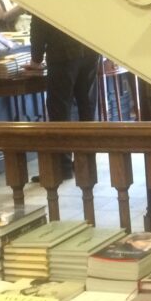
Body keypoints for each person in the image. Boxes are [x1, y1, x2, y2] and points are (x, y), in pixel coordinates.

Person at [25, 16, 99, 180]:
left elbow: (38, 23)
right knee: (87, 108)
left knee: (60, 110)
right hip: (90, 47)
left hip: (62, 52)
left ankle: (62, 167)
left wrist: (36, 60)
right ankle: (86, 164)